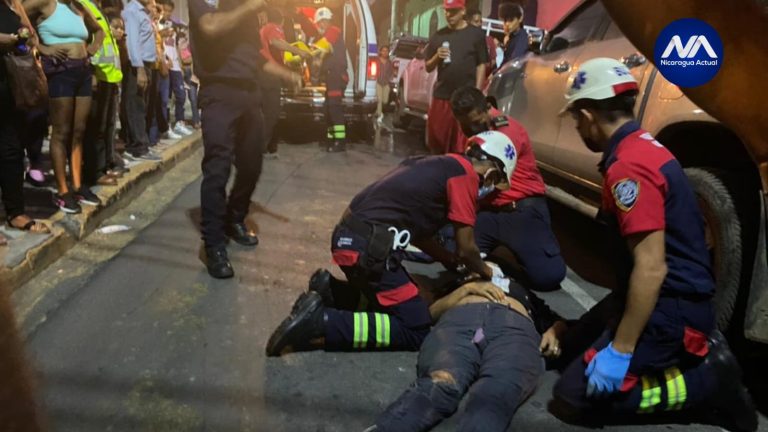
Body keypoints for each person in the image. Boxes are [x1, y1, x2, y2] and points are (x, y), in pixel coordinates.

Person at [550, 58, 757, 432]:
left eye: (576, 118)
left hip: (672, 310)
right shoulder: (642, 147)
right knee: (569, 351)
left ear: (589, 115)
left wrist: (621, 349)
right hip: (656, 296)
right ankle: (639, 350)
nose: (577, 126)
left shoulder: (629, 167)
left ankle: (706, 381)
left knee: (573, 396)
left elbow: (651, 267)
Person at [265, 131, 519, 356]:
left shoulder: (435, 164)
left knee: (398, 304)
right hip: (369, 249)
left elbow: (419, 233)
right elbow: (467, 248)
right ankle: (322, 322)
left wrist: (446, 258)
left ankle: (333, 291)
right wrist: (488, 273)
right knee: (416, 328)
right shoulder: (466, 177)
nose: (491, 191)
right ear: (491, 173)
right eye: (495, 184)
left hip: (351, 239)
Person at [371, 273, 562, 432]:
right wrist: (466, 289)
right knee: (442, 382)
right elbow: (429, 314)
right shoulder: (460, 278)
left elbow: (561, 322)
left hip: (514, 328)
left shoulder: (526, 293)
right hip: (462, 320)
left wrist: (555, 330)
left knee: (496, 393)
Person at [446, 86, 566, 292]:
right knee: (451, 254)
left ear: (487, 108)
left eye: (476, 123)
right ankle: (496, 256)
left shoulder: (506, 129)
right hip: (489, 212)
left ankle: (504, 257)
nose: (472, 130)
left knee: (548, 277)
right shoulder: (469, 131)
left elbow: (486, 172)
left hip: (520, 210)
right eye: (466, 126)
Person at [189, 0, 273, 278]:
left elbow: (254, 56)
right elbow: (210, 27)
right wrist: (252, 6)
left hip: (249, 93)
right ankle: (213, 245)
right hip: (219, 92)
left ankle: (234, 218)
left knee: (252, 164)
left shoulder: (245, 10)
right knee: (218, 169)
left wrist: (287, 74)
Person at [24, 0, 105, 214]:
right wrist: (41, 47)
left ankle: (77, 186)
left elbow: (99, 31)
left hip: (83, 72)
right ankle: (62, 191)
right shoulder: (45, 2)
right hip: (60, 72)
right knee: (61, 132)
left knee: (79, 131)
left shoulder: (77, 6)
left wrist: (92, 48)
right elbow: (18, 18)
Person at [0, 0, 50, 236]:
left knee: (12, 151)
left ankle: (15, 212)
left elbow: (30, 37)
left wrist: (22, 32)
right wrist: (9, 40)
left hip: (11, 87)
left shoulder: (9, 6)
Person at [424, 0, 488, 155]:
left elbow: (481, 64)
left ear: (463, 11)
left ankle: (458, 176)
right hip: (442, 97)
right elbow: (428, 66)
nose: (448, 15)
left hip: (465, 102)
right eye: (446, 11)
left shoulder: (476, 35)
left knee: (461, 147)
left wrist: (476, 93)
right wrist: (437, 57)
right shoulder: (439, 36)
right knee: (436, 142)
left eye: (453, 11)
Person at [79, 0, 124, 188]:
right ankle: (93, 172)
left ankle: (102, 167)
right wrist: (91, 72)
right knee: (94, 128)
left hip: (109, 76)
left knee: (103, 127)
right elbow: (83, 39)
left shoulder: (96, 8)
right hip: (97, 75)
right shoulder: (83, 5)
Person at [259, 6, 310, 159]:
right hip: (268, 75)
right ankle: (260, 150)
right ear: (281, 21)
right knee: (271, 113)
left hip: (263, 73)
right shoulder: (274, 27)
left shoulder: (263, 29)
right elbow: (276, 42)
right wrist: (299, 51)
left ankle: (262, 148)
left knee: (264, 112)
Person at [121, 0, 161, 161]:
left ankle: (138, 142)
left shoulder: (143, 12)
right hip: (138, 65)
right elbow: (132, 43)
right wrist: (139, 69)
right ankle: (139, 147)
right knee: (136, 105)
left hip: (147, 64)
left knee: (142, 105)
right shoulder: (132, 11)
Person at [312, 7, 347, 153]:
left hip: (337, 77)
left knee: (334, 110)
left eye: (319, 23)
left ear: (325, 21)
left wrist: (308, 53)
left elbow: (322, 48)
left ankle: (340, 142)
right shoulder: (328, 36)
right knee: (328, 110)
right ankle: (330, 139)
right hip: (332, 78)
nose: (318, 26)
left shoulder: (333, 31)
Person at [158, 0, 190, 138]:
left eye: (170, 11)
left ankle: (179, 122)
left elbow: (178, 44)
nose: (167, 13)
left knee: (181, 95)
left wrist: (181, 63)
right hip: (165, 64)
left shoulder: (175, 25)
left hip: (176, 65)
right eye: (165, 10)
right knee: (165, 98)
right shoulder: (157, 25)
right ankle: (165, 128)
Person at [465, 8, 496, 75]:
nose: (479, 24)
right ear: (468, 22)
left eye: (480, 21)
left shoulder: (489, 40)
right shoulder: (463, 40)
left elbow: (493, 62)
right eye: (476, 21)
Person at [374, 45, 393, 125]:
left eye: (386, 51)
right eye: (383, 51)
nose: (385, 52)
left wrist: (390, 80)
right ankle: (379, 115)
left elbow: (392, 73)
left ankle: (376, 111)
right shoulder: (377, 61)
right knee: (379, 99)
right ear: (380, 52)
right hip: (378, 82)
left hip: (386, 83)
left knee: (385, 101)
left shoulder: (390, 62)